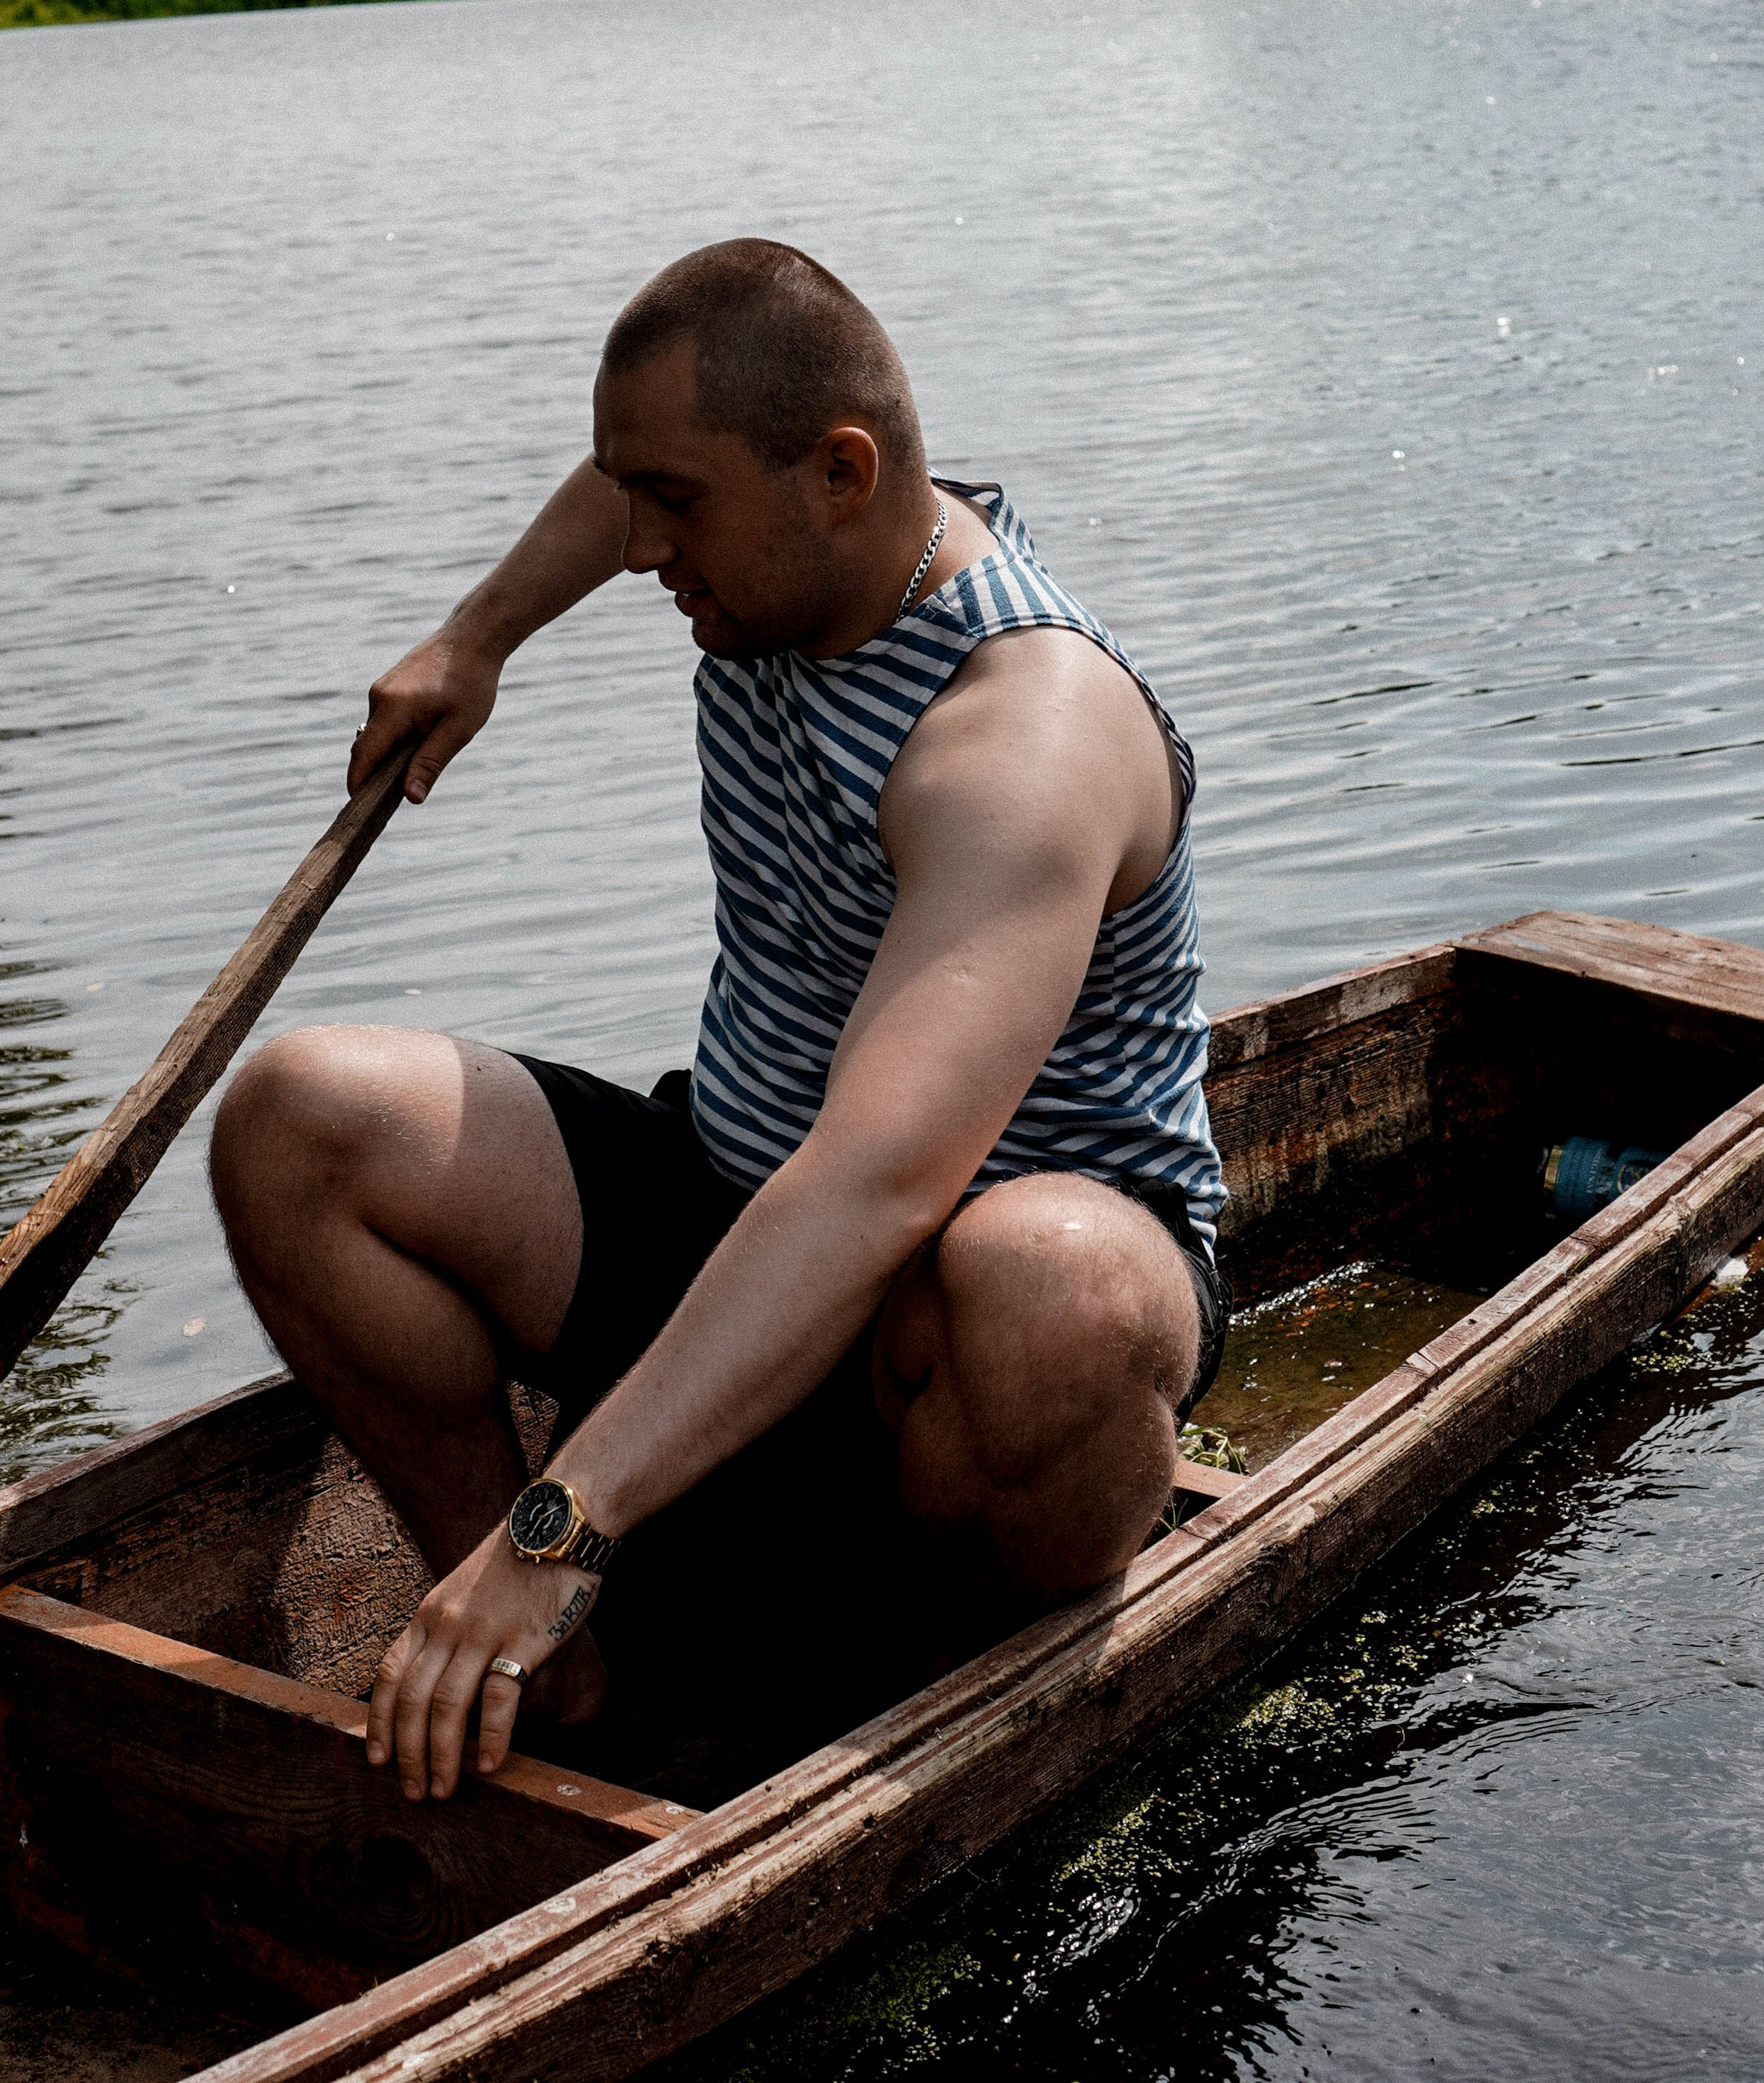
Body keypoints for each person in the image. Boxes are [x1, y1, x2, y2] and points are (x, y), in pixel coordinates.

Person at [210, 237, 1227, 1807]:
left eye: (674, 508)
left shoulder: (1022, 736)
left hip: (946, 1319)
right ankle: (562, 1668)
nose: (640, 547)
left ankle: (922, 1679)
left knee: (1049, 1289)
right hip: (731, 1204)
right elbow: (624, 478)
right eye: (637, 498)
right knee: (299, 1121)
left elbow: (877, 1183)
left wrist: (559, 1525)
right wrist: (478, 637)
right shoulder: (760, 549)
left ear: (840, 473)